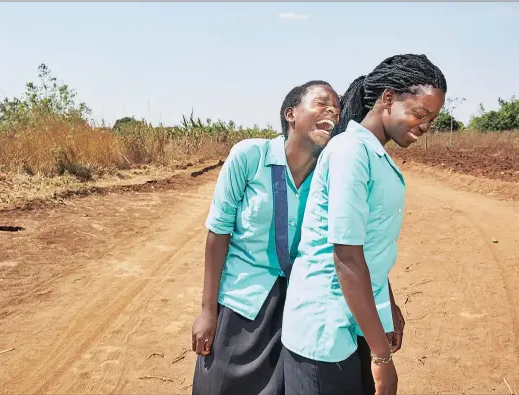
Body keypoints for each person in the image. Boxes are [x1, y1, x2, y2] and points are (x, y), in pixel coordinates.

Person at [281, 54, 448, 395]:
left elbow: (369, 246)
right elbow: (346, 257)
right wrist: (383, 358)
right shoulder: (350, 152)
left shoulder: (370, 153)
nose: (425, 126)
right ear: (388, 98)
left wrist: (389, 306)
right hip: (324, 331)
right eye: (419, 113)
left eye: (432, 118)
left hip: (352, 321)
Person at [190, 80, 341, 395]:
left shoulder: (331, 172)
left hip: (300, 304)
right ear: (291, 114)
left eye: (336, 108)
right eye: (322, 102)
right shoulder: (250, 156)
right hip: (243, 300)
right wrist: (208, 310)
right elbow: (218, 234)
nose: (332, 111)